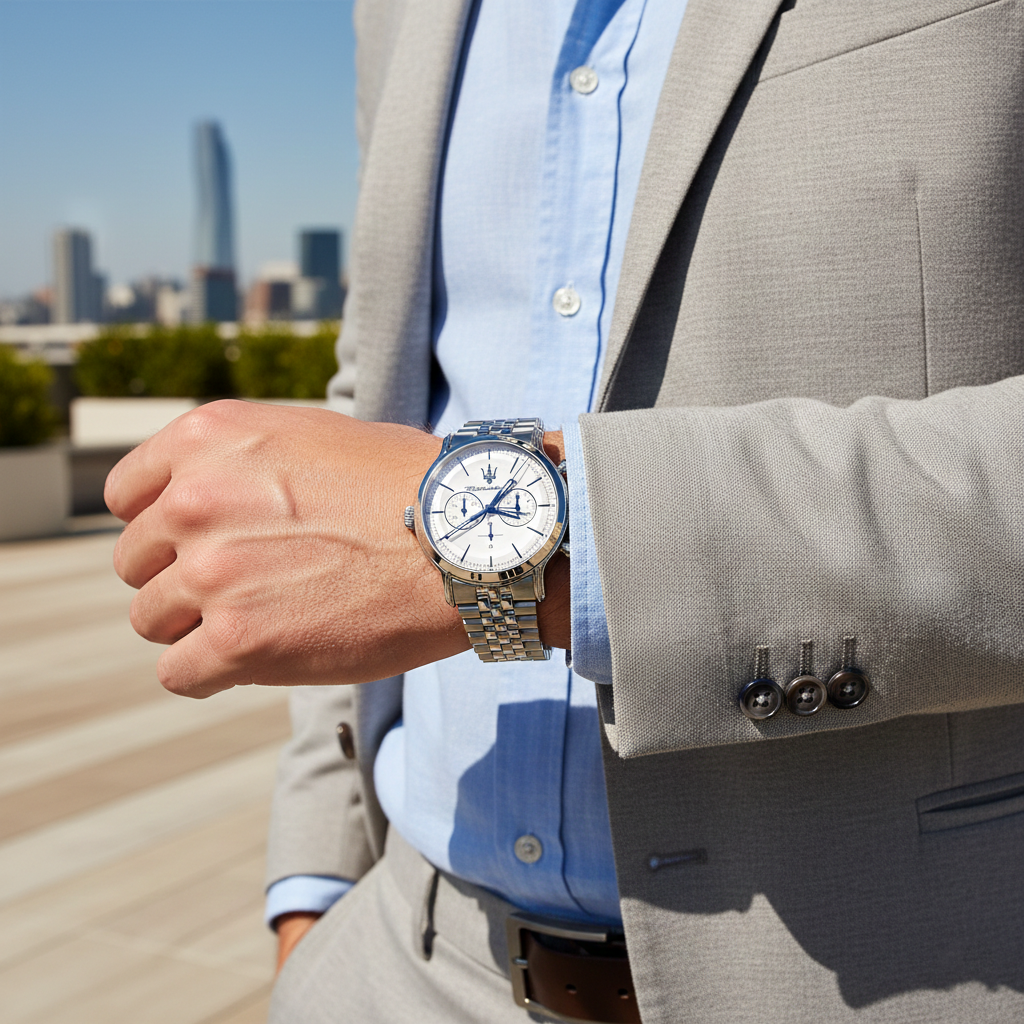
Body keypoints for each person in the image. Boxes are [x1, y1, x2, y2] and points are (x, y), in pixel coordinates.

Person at [106, 0, 1024, 1021]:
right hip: (402, 963)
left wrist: (507, 548)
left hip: (897, 972)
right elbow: (383, 386)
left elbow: (391, 512)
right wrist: (313, 893)